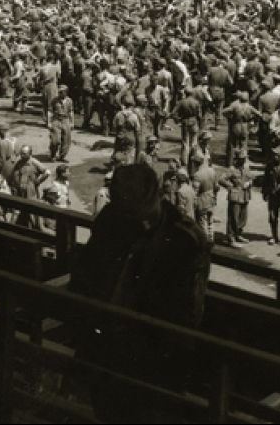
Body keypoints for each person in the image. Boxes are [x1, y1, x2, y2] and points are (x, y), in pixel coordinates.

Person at [68, 163, 211, 422]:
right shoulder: (112, 218)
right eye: (131, 216)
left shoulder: (185, 239)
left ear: (158, 195)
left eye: (144, 214)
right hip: (105, 346)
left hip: (151, 354)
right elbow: (86, 272)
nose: (140, 224)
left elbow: (187, 313)